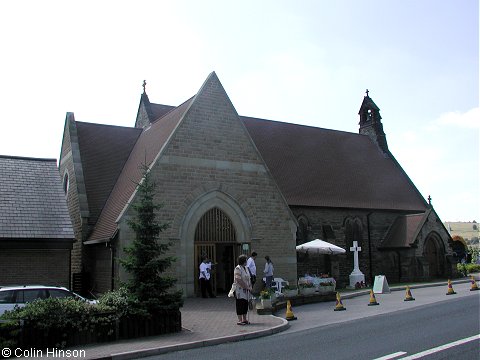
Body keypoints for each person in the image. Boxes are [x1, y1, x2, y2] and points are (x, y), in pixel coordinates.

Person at [234, 254, 252, 325]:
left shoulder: (246, 268)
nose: (247, 261)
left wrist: (250, 286)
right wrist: (246, 287)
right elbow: (238, 279)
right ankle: (240, 320)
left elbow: (248, 278)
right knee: (240, 304)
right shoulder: (238, 268)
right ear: (243, 261)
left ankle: (244, 319)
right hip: (240, 290)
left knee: (245, 304)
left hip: (246, 290)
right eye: (246, 260)